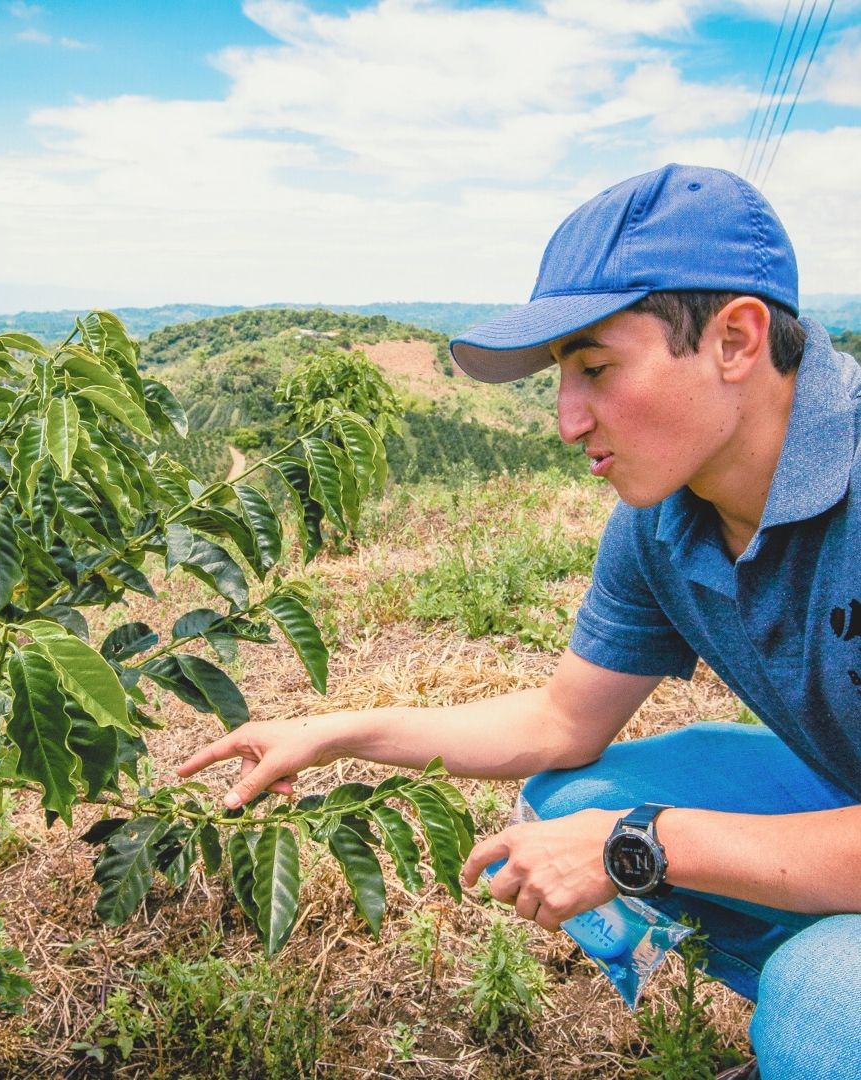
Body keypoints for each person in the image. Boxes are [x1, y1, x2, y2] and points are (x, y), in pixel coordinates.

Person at [177, 163, 860, 1080]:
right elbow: (560, 722)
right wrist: (334, 733)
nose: (569, 419)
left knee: (822, 1006)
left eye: (597, 368)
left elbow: (640, 842)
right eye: (560, 377)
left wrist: (646, 843)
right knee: (569, 804)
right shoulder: (663, 522)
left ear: (734, 339)